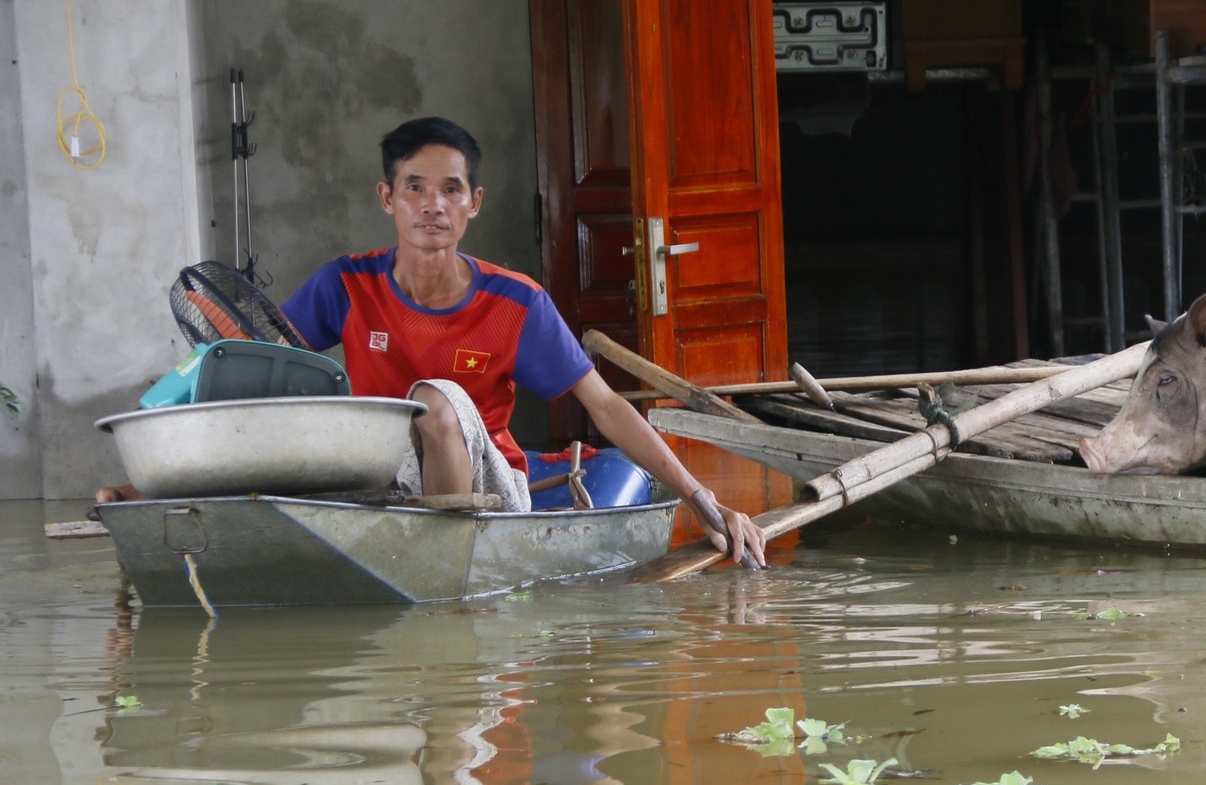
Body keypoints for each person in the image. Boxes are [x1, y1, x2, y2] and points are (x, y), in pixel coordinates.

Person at [96, 117, 764, 566]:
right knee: (303, 421)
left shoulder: (516, 302)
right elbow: (267, 377)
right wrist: (161, 473)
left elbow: (607, 408)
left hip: (487, 490)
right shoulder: (347, 284)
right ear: (388, 198)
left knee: (433, 402)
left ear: (474, 203)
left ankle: (445, 574)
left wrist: (704, 499)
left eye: (451, 190)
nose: (433, 206)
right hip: (378, 479)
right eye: (415, 188)